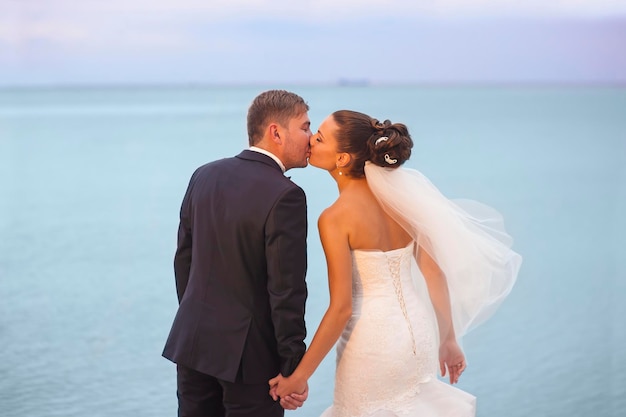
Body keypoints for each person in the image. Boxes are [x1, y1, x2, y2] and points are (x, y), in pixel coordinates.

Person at [269, 110, 522, 416]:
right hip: (419, 337)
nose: (311, 141)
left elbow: (341, 308)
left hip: (372, 345)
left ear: (342, 160)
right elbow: (433, 272)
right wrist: (449, 339)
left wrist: (299, 376)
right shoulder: (402, 203)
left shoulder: (335, 219)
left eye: (320, 138)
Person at [162, 90, 312, 417]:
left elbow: (183, 262)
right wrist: (292, 367)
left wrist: (197, 322)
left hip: (193, 345)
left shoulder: (203, 175)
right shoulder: (286, 195)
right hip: (251, 361)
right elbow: (286, 289)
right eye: (304, 127)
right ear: (276, 132)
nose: (311, 138)